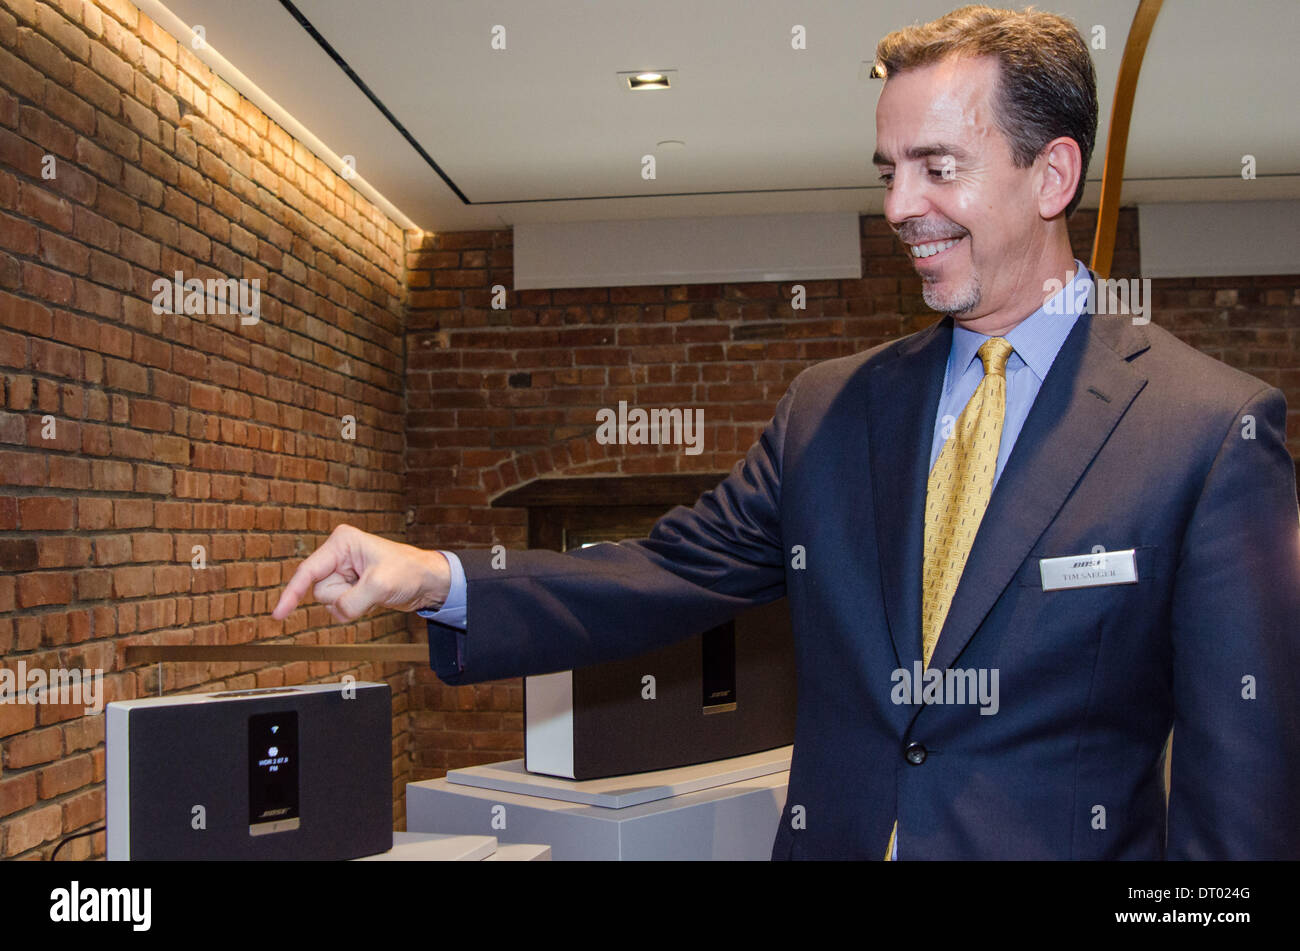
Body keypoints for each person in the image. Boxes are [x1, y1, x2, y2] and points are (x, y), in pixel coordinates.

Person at [272, 5, 1300, 859]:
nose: (898, 206)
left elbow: (1240, 796)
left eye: (936, 167)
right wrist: (435, 577)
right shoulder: (831, 408)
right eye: (886, 169)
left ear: (1052, 176)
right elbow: (669, 569)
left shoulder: (1207, 433)